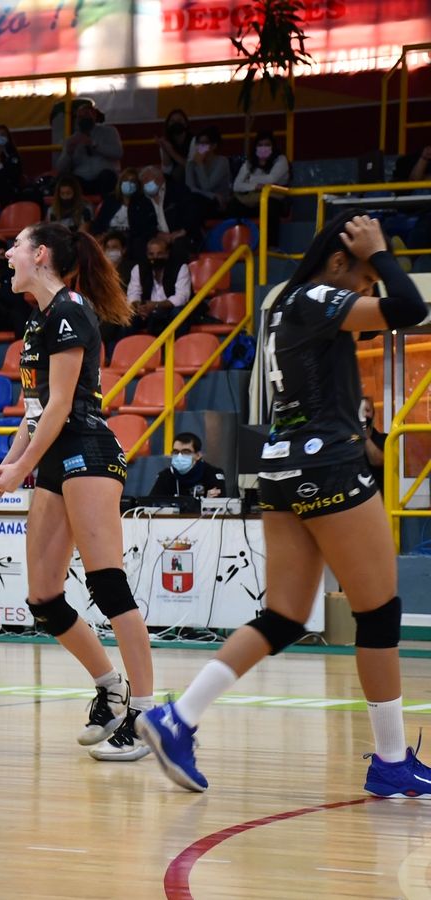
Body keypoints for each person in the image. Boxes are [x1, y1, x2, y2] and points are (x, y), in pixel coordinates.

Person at [140, 215, 431, 796]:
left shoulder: (288, 302)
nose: (371, 291)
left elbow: (374, 324)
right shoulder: (324, 292)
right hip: (327, 464)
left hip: (278, 466)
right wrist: (381, 253)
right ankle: (393, 760)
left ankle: (179, 718)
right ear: (342, 261)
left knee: (283, 617)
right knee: (378, 614)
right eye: (367, 277)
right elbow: (408, 310)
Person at [0, 221, 155, 763]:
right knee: (44, 598)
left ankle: (146, 715)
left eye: (17, 247)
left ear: (41, 254)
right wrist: (9, 465)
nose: (8, 254)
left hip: (89, 450)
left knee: (108, 584)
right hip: (54, 457)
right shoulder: (39, 321)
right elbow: (33, 413)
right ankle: (110, 688)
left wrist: (22, 468)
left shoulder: (71, 310)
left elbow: (59, 408)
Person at [125, 236, 194, 336]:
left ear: (167, 253)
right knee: (127, 317)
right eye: (151, 254)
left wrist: (155, 305)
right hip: (147, 312)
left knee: (178, 312)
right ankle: (129, 350)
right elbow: (133, 294)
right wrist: (139, 307)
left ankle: (176, 348)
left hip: (169, 310)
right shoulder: (139, 269)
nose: (155, 258)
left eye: (160, 253)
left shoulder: (180, 268)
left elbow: (181, 298)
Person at [55, 99, 123, 196]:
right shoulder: (72, 139)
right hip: (82, 179)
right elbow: (60, 168)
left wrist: (94, 145)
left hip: (104, 177)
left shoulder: (109, 132)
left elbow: (118, 153)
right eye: (80, 117)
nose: (83, 119)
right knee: (67, 181)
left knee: (107, 176)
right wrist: (68, 154)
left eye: (86, 116)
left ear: (94, 116)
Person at [230, 130, 291, 218]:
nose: (263, 147)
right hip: (252, 200)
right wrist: (255, 186)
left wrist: (249, 179)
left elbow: (271, 179)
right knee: (233, 206)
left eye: (267, 145)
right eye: (260, 145)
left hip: (274, 200)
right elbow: (236, 186)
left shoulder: (281, 160)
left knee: (270, 206)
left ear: (273, 146)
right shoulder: (249, 163)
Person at [147, 433, 226, 500]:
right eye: (176, 452)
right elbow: (151, 505)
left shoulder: (213, 474)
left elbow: (220, 507)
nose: (179, 456)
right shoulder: (165, 476)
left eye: (186, 452)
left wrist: (208, 503)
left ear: (198, 455)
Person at [184, 126, 232, 221]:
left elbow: (207, 186)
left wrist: (200, 164)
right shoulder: (191, 164)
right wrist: (212, 195)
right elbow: (189, 189)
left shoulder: (222, 162)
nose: (200, 147)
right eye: (198, 143)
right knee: (190, 201)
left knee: (195, 205)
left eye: (204, 143)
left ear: (213, 146)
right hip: (201, 200)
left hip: (220, 204)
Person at [92, 168, 143, 239]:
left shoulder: (143, 204)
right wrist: (99, 235)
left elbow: (143, 230)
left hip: (131, 241)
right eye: (125, 180)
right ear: (120, 182)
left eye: (132, 181)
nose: (128, 183)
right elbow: (98, 225)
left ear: (137, 185)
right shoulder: (110, 201)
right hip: (108, 239)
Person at [157, 109, 193, 186]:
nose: (176, 123)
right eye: (172, 121)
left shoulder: (197, 140)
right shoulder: (166, 141)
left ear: (186, 123)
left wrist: (171, 152)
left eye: (180, 120)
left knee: (179, 171)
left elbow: (193, 166)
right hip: (174, 182)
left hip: (195, 178)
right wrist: (164, 149)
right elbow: (166, 171)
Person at [361, 397, 388, 487]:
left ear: (373, 415)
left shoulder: (384, 439)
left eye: (367, 410)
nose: (364, 415)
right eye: (360, 411)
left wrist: (365, 436)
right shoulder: (346, 441)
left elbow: (378, 461)